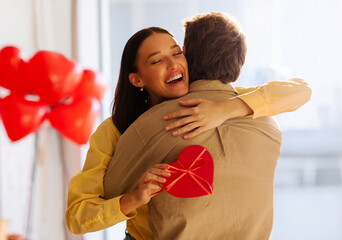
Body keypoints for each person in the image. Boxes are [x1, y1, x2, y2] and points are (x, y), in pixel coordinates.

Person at [66, 24, 311, 238]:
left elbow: (300, 90)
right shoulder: (116, 131)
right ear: (137, 80)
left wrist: (224, 110)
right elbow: (78, 217)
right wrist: (134, 198)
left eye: (177, 53)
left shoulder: (222, 101)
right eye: (157, 60)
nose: (173, 64)